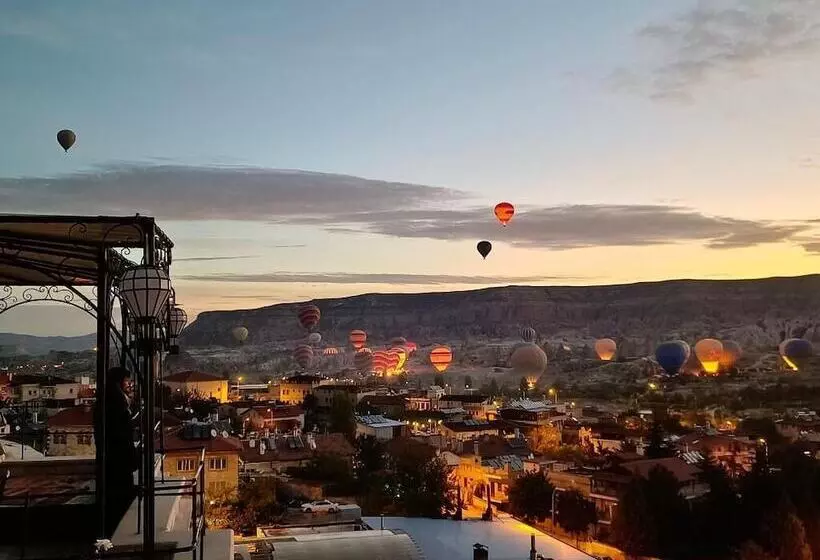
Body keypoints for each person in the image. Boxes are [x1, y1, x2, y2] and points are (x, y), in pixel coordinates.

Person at [94, 366, 138, 536]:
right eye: (127, 382)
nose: (130, 385)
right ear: (119, 383)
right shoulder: (116, 404)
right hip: (118, 463)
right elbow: (122, 436)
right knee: (119, 503)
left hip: (113, 461)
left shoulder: (108, 401)